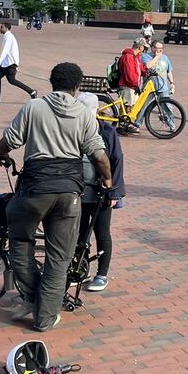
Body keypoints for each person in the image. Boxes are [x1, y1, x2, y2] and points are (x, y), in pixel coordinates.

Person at [0, 62, 111, 331]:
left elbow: (9, 140)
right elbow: (99, 156)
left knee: (20, 242)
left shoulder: (33, 108)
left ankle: (32, 298)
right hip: (69, 194)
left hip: (33, 190)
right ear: (77, 88)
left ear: (51, 83)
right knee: (60, 257)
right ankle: (45, 317)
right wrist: (108, 179)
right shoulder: (84, 114)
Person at [75, 93, 126, 291]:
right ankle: (80, 268)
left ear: (96, 112)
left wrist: (114, 191)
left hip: (101, 192)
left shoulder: (107, 131)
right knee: (79, 233)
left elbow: (117, 160)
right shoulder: (73, 129)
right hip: (79, 191)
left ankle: (102, 274)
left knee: (101, 232)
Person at [0, 22, 38, 104]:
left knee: (12, 81)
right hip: (5, 63)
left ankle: (32, 92)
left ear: (6, 28)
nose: (0, 29)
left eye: (1, 27)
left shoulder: (9, 37)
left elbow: (5, 51)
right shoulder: (6, 36)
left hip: (10, 64)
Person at [116, 39, 147, 127]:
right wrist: (134, 84)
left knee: (132, 106)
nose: (144, 50)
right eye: (144, 48)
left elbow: (140, 69)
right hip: (127, 86)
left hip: (133, 86)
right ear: (140, 47)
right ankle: (122, 126)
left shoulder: (136, 57)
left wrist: (146, 72)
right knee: (127, 107)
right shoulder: (128, 56)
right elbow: (129, 73)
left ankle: (125, 125)